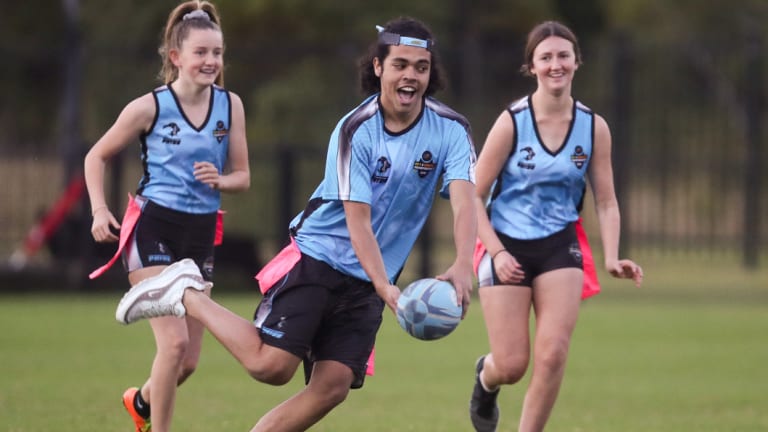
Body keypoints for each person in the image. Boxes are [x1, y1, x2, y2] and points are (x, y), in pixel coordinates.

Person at [111, 16, 477, 432]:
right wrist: (383, 287)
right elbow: (358, 221)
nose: (411, 76)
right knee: (271, 367)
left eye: (421, 67)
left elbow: (465, 201)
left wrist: (464, 263)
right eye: (400, 64)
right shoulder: (355, 131)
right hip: (319, 258)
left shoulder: (451, 130)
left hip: (370, 277)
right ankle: (185, 292)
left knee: (334, 384)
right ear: (379, 68)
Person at [468, 21, 643, 432]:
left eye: (563, 55)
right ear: (532, 66)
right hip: (505, 244)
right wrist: (497, 252)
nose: (555, 64)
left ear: (576, 62)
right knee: (512, 365)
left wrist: (613, 255)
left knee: (553, 355)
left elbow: (606, 199)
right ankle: (485, 376)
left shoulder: (593, 127)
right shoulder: (512, 121)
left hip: (559, 245)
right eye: (545, 57)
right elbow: (472, 195)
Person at [83, 1, 250, 431]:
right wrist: (100, 210)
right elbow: (96, 155)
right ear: (176, 57)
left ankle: (139, 403)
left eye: (217, 53)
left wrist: (222, 180)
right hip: (153, 229)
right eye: (201, 53)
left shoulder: (230, 106)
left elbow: (243, 176)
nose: (211, 61)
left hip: (199, 237)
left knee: (188, 362)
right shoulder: (149, 107)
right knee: (173, 345)